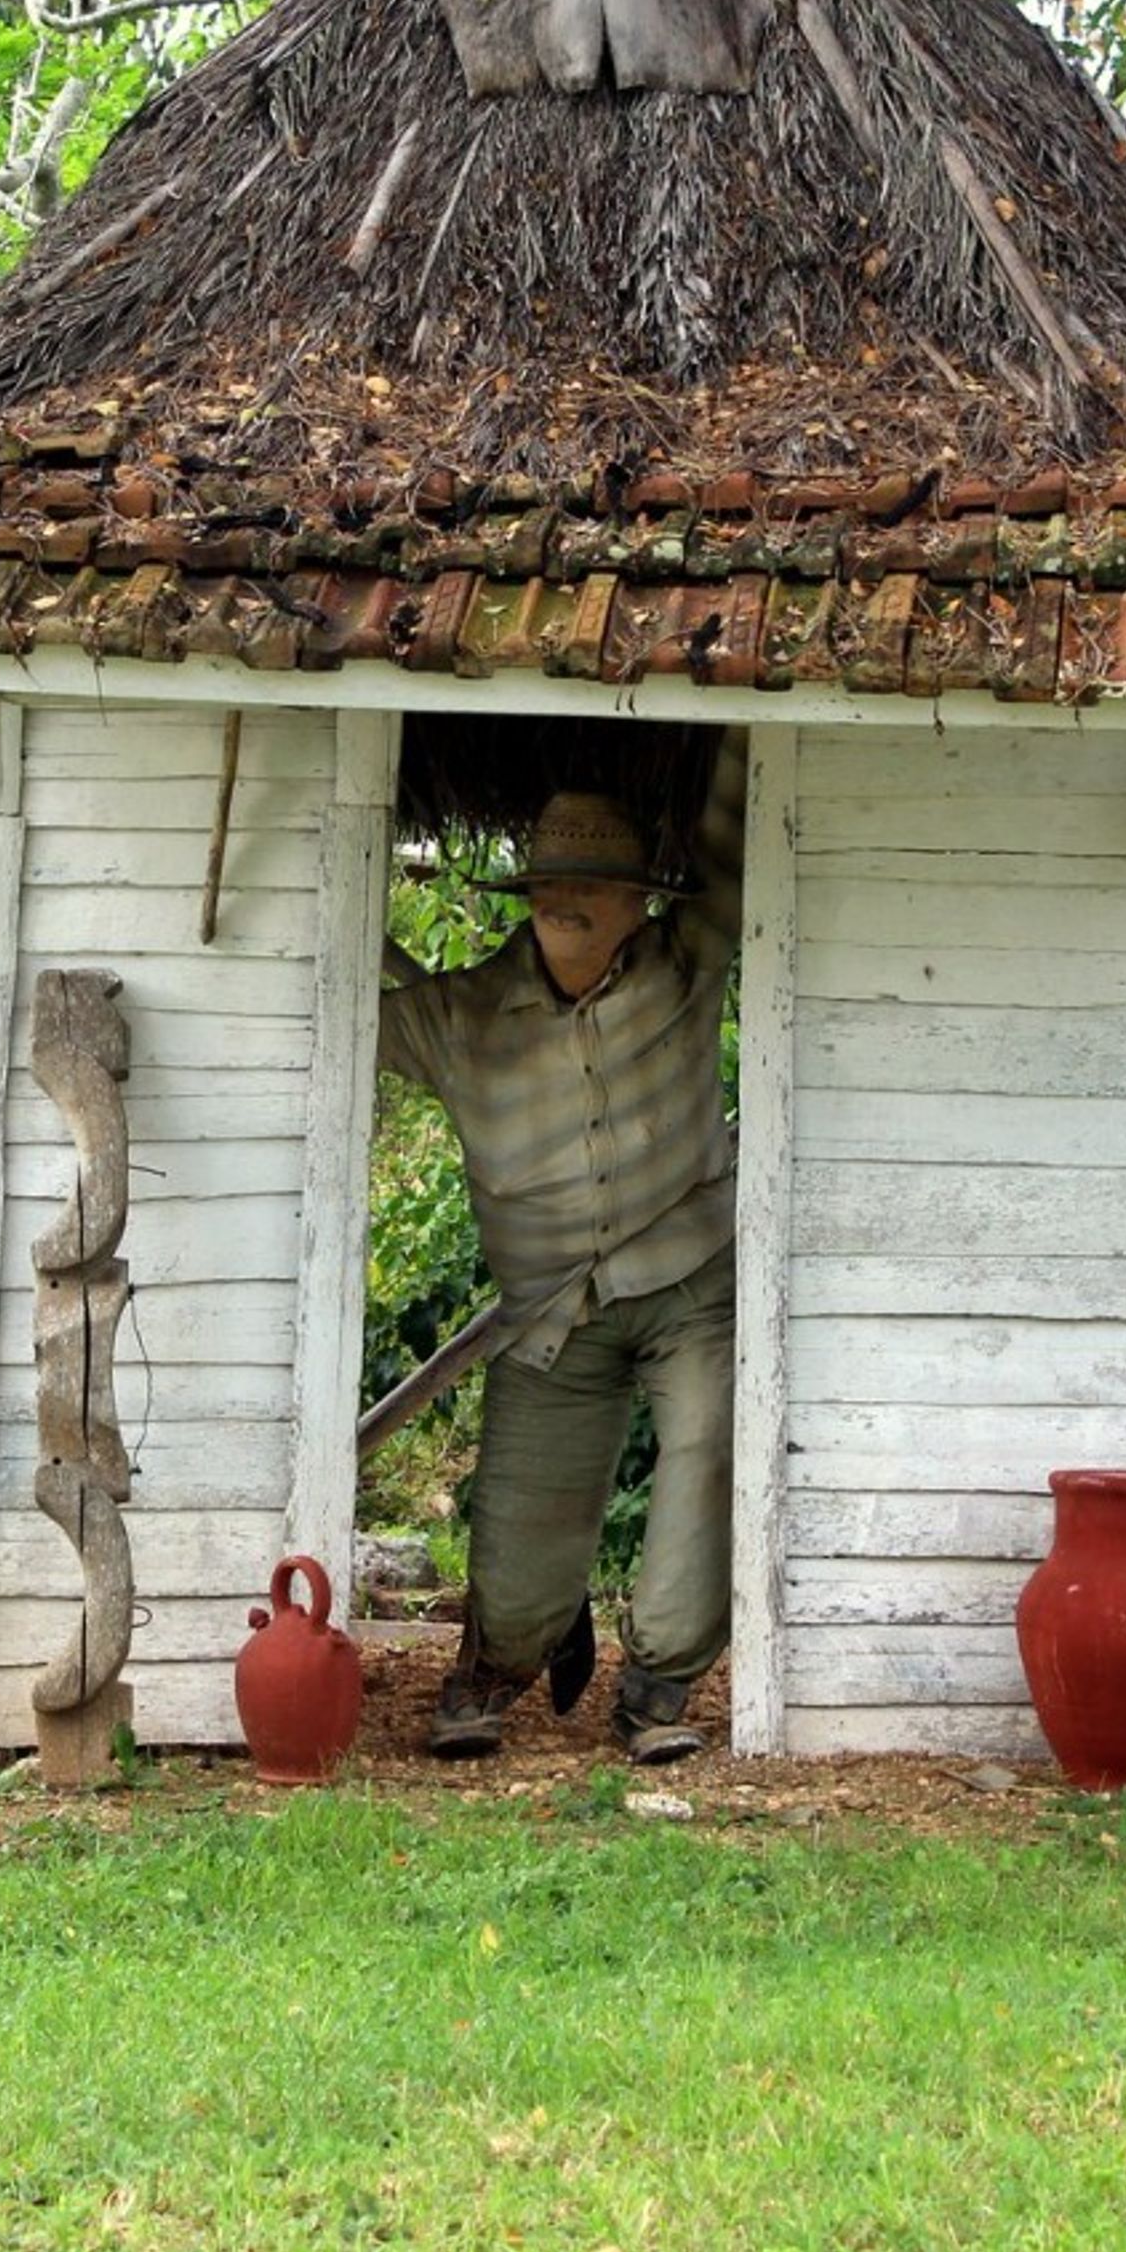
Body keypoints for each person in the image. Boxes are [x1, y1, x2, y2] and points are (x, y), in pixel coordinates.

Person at [376, 735, 747, 1764]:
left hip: (690, 1289)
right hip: (548, 1312)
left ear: (640, 903)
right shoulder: (461, 1019)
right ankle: (494, 1669)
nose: (565, 900)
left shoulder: (685, 961)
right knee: (520, 1512)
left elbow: (735, 830)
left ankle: (659, 1690)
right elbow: (320, 1004)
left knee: (709, 1445)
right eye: (549, 883)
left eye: (593, 884)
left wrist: (747, 715)